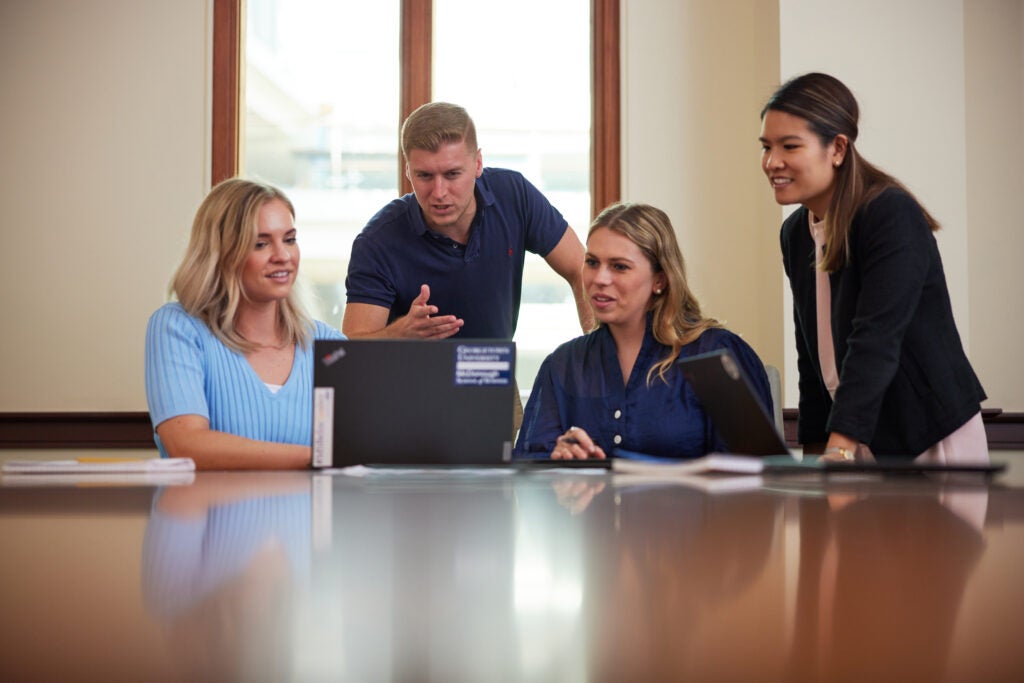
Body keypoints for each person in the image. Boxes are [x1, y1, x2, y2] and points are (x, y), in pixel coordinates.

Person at [759, 72, 988, 463]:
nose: (771, 162)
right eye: (766, 146)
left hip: (926, 433)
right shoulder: (796, 232)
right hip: (856, 433)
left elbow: (876, 338)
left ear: (837, 148)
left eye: (789, 146)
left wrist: (840, 446)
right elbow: (809, 350)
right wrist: (816, 451)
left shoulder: (888, 212)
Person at [514, 202, 772, 460]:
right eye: (592, 262)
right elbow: (528, 473)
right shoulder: (562, 364)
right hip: (588, 503)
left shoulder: (717, 355)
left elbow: (756, 477)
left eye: (619, 266)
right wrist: (558, 460)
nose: (600, 279)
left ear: (660, 279)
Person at [342, 101, 593, 340]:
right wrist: (399, 335)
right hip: (410, 381)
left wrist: (600, 353)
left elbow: (581, 268)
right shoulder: (378, 240)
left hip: (493, 376)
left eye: (452, 174)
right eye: (425, 175)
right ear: (408, 170)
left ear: (478, 163)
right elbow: (349, 351)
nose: (439, 192)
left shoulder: (514, 195)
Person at [145, 178, 344, 469]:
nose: (283, 256)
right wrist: (317, 456)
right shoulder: (177, 329)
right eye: (261, 244)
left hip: (312, 514)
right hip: (211, 515)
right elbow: (187, 445)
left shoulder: (328, 345)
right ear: (222, 254)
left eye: (289, 239)